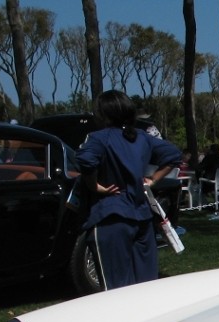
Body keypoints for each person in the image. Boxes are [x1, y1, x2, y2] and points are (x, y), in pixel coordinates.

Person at [75, 89, 182, 289]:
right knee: (145, 285)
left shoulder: (98, 138)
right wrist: (154, 180)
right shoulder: (141, 137)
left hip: (110, 216)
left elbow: (85, 161)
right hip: (142, 217)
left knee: (115, 288)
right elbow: (173, 154)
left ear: (103, 113)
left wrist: (95, 186)